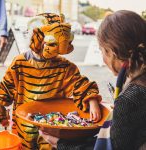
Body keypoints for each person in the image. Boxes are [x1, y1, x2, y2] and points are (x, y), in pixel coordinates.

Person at [40, 10, 146, 150]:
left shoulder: (130, 98)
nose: (103, 58)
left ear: (112, 52)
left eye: (102, 51)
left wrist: (61, 144)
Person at [0, 13, 102, 149]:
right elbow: (6, 88)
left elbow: (79, 84)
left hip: (51, 129)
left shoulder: (64, 66)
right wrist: (0, 107)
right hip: (23, 127)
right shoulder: (19, 63)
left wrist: (91, 100)